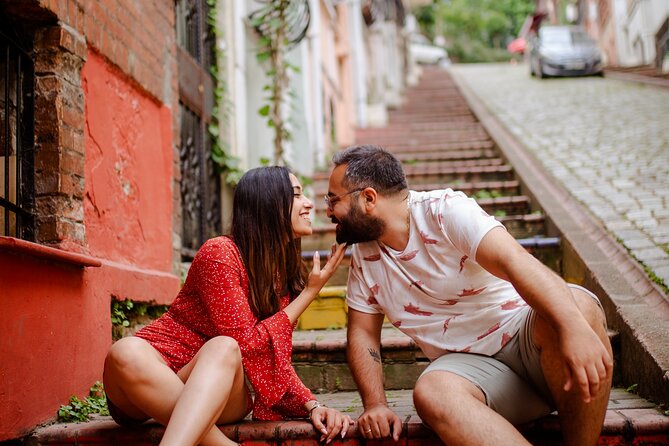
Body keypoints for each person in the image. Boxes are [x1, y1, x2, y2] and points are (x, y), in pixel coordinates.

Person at [325, 145, 613, 445]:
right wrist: (376, 405)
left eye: (333, 200)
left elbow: (516, 262)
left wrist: (573, 327)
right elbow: (363, 334)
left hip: (532, 344)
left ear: (369, 198)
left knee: (579, 308)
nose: (328, 211)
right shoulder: (364, 255)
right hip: (476, 376)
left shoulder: (444, 210)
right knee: (431, 392)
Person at [104, 166, 352, 446]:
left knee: (224, 347)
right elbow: (247, 342)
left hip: (221, 389)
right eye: (297, 195)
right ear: (267, 203)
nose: (309, 203)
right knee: (124, 350)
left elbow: (269, 355)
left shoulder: (281, 276)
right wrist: (309, 293)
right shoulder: (220, 253)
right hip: (142, 382)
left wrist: (313, 405)